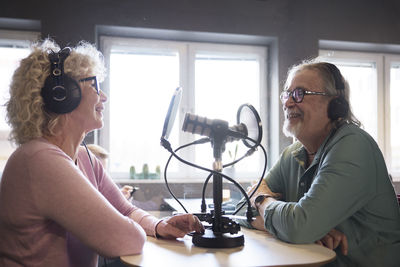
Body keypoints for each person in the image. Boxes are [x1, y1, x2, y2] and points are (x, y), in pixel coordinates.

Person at [0, 39, 204, 267]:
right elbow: (127, 239)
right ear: (63, 94)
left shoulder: (86, 159)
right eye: (95, 85)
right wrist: (133, 226)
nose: (104, 96)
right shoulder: (39, 160)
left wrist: (159, 226)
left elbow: (125, 209)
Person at [237, 60, 400, 266]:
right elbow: (239, 210)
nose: (288, 103)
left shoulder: (353, 145)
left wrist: (262, 200)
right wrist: (303, 229)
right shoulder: (294, 153)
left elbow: (298, 226)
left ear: (335, 105)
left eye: (300, 94)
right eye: (287, 94)